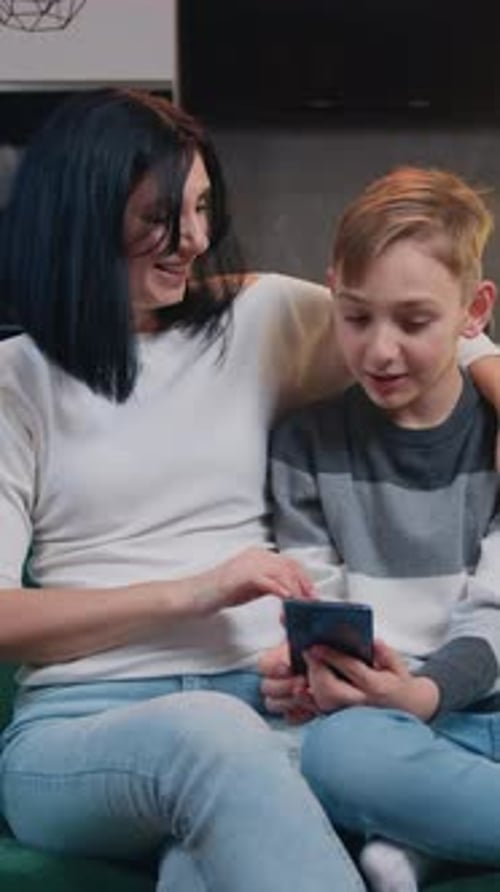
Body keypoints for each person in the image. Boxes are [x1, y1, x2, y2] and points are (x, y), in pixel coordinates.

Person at [0, 91, 496, 892]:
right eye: (162, 216)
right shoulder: (13, 381)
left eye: (201, 207)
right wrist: (192, 593)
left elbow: (441, 326)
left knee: (198, 870)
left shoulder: (258, 319)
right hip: (80, 734)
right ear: (85, 209)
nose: (195, 239)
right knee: (211, 738)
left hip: (269, 718)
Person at [266, 166, 500, 892]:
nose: (380, 351)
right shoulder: (305, 445)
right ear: (332, 291)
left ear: (474, 311)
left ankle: (414, 835)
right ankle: (426, 828)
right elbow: (319, 604)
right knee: (335, 754)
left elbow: (497, 617)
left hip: (476, 695)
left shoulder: (494, 435)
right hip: (375, 719)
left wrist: (426, 693)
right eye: (356, 316)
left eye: (414, 320)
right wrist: (324, 676)